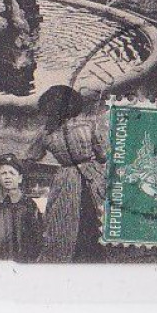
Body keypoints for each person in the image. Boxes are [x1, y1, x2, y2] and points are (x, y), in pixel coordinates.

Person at [25, 86, 107, 263]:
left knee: (63, 219)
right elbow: (102, 155)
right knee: (96, 214)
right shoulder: (88, 125)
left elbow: (31, 156)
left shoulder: (46, 133)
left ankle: (69, 254)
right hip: (91, 174)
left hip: (65, 177)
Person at [0, 155, 43, 263]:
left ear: (20, 178)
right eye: (3, 173)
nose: (7, 177)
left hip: (21, 261)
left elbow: (36, 236)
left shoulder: (28, 204)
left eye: (12, 173)